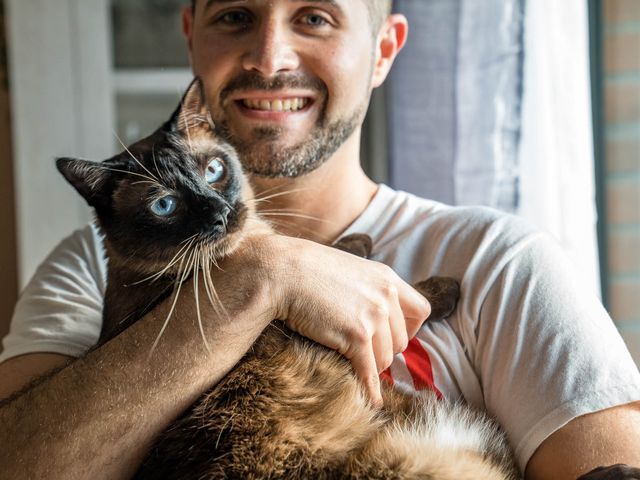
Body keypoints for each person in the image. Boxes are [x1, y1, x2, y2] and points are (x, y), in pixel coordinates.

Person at [0, 1, 639, 478]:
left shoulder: (502, 260)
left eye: (315, 17)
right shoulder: (90, 268)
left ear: (385, 50)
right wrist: (261, 276)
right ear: (191, 38)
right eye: (235, 16)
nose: (270, 58)